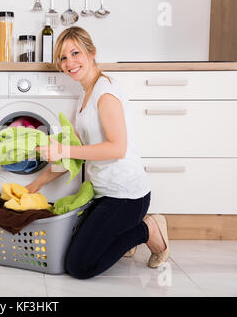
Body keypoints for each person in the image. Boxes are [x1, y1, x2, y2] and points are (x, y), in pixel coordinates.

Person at [26, 26, 170, 279]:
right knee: (71, 247)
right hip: (103, 194)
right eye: (62, 57)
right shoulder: (84, 97)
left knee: (79, 266)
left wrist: (63, 148)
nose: (69, 62)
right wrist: (35, 185)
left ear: (92, 53)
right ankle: (126, 237)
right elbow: (75, 156)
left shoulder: (106, 93)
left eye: (75, 53)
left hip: (127, 196)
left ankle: (147, 228)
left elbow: (117, 148)